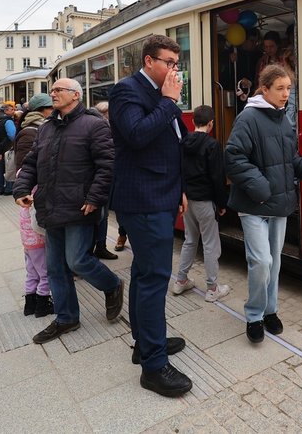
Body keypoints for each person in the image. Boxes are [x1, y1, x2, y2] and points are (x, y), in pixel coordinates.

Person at [110, 34, 192, 398]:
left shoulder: (157, 96)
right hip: (143, 199)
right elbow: (137, 135)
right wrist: (169, 101)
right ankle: (154, 367)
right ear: (148, 61)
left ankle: (145, 343)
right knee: (156, 277)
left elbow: (171, 142)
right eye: (169, 63)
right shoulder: (127, 91)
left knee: (145, 274)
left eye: (177, 63)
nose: (175, 70)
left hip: (161, 194)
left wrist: (181, 189)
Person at [13, 79, 123, 345]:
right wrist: (21, 189)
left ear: (75, 95)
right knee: (55, 268)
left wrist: (95, 198)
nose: (53, 94)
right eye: (52, 91)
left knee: (77, 261)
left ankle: (112, 285)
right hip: (50, 207)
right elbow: (31, 163)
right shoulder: (46, 128)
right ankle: (66, 317)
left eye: (58, 90)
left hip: (79, 207)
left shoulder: (94, 124)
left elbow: (106, 166)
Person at [225, 65, 302, 344]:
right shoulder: (248, 118)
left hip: (277, 204)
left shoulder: (282, 119)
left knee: (275, 262)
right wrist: (261, 188)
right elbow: (233, 157)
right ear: (264, 89)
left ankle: (271, 311)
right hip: (255, 203)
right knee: (261, 261)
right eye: (280, 88)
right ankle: (254, 315)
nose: (285, 93)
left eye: (289, 88)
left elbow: (289, 159)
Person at [172, 104, 230, 303]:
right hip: (206, 201)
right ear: (211, 123)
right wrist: (222, 203)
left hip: (188, 200)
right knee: (210, 244)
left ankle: (180, 281)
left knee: (190, 240)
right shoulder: (212, 145)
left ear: (194, 122)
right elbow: (217, 177)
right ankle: (213, 288)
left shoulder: (183, 142)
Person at [14, 93, 55, 319]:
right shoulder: (33, 135)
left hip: (26, 235)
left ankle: (29, 303)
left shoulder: (23, 176)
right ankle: (42, 305)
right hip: (37, 231)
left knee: (32, 269)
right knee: (46, 271)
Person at [90, 101, 118, 260]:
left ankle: (99, 247)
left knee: (102, 215)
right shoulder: (101, 127)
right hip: (98, 179)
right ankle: (96, 248)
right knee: (99, 216)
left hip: (100, 178)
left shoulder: (96, 124)